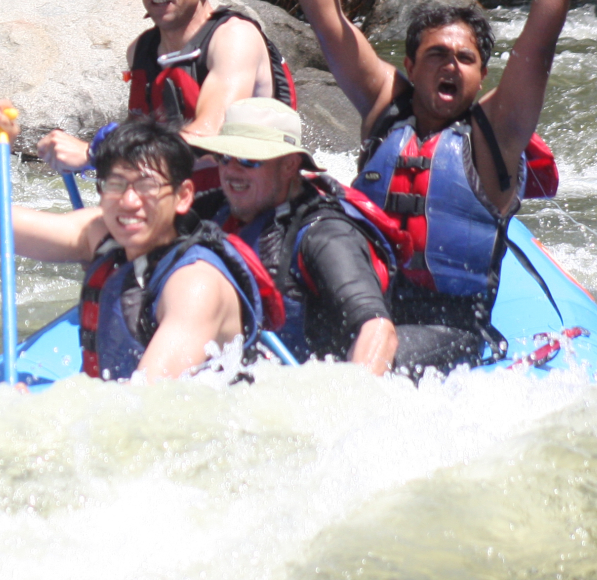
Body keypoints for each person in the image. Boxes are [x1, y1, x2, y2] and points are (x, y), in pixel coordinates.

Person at [274, 0, 583, 345]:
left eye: (465, 59)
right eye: (437, 54)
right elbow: (327, 20)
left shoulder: (494, 134)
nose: (452, 67)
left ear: (482, 76)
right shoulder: (385, 107)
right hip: (366, 310)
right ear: (411, 66)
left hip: (450, 329)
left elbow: (540, 37)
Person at [0, 105, 285, 380]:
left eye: (146, 186)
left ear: (184, 196)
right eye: (115, 184)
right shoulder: (102, 235)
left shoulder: (195, 283)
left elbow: (142, 405)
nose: (129, 201)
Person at [191, 97, 481, 373]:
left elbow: (378, 331)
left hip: (322, 374)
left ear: (290, 165)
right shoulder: (216, 210)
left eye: (249, 160)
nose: (231, 171)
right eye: (225, 157)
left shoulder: (326, 236)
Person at [37, 0, 297, 199]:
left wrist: (95, 152)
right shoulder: (141, 50)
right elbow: (144, 145)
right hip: (181, 199)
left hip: (247, 203)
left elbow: (210, 135)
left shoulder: (234, 38)